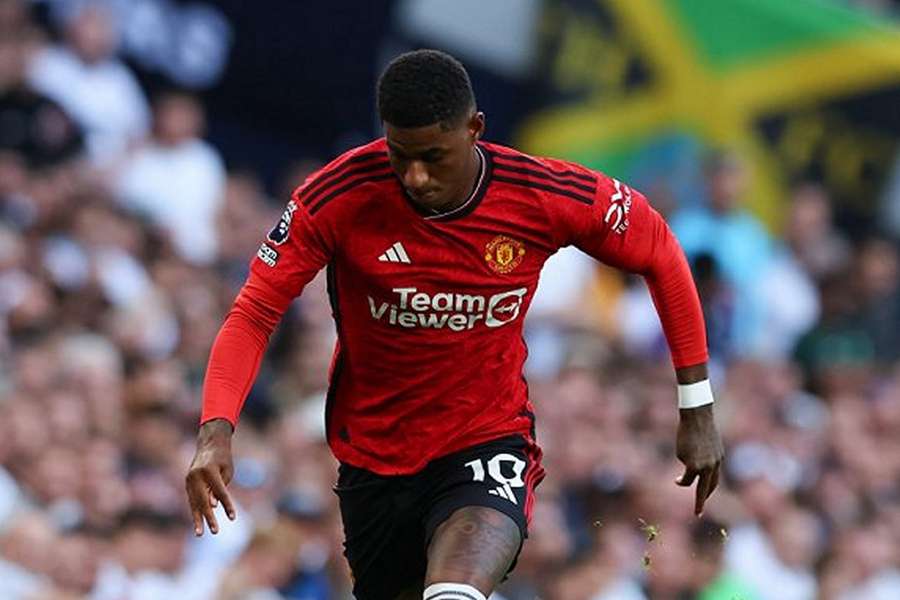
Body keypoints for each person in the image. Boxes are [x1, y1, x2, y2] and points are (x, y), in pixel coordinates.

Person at [185, 49, 724, 600]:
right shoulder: (338, 195)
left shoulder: (542, 194)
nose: (415, 177)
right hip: (373, 455)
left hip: (486, 438)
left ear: (475, 129)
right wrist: (215, 430)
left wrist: (697, 406)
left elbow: (660, 251)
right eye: (400, 155)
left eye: (434, 156)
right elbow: (253, 312)